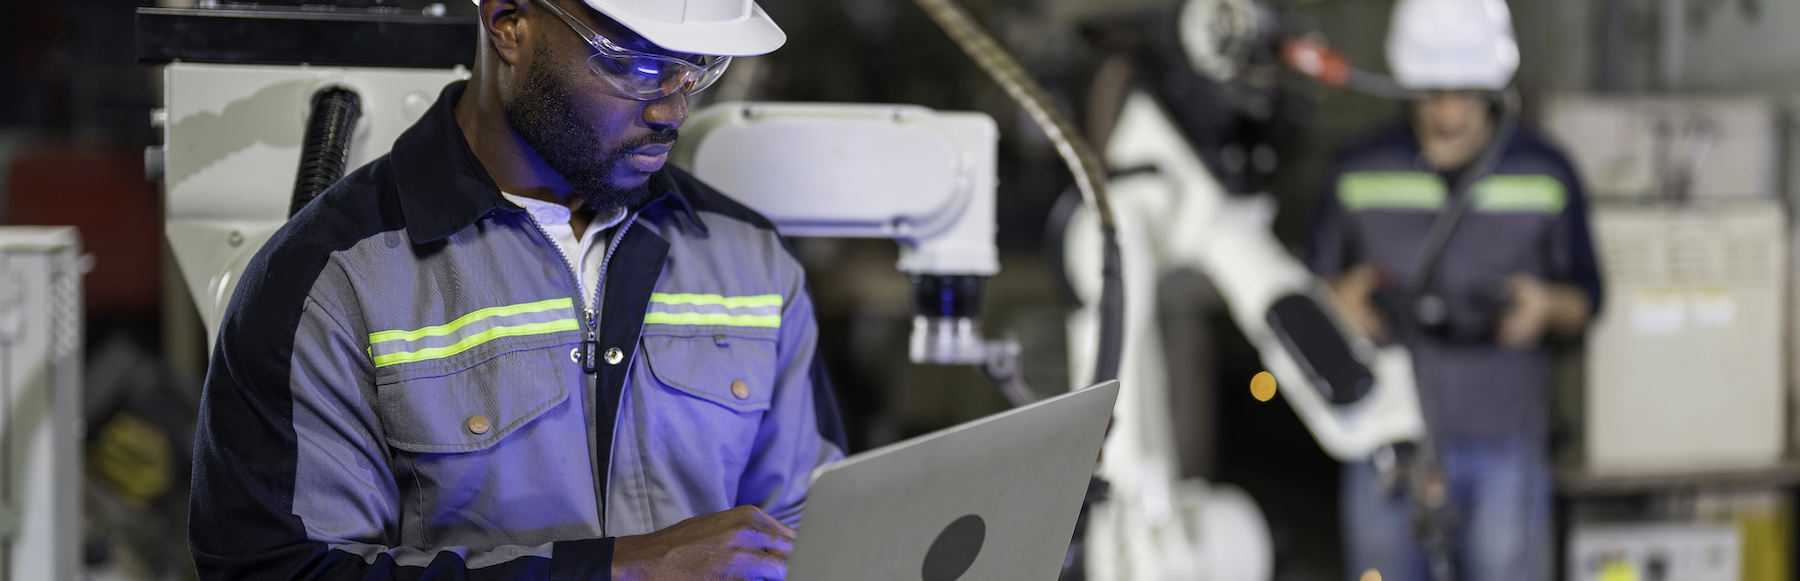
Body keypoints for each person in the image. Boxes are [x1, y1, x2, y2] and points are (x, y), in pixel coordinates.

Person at [187, 0, 848, 578]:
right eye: (639, 64)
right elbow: (287, 569)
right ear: (509, 22)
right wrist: (618, 572)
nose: (674, 106)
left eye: (698, 66)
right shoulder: (330, 283)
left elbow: (816, 535)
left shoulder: (751, 261)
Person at [1305, 0, 1602, 579]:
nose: (1448, 112)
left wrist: (1545, 307)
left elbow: (1588, 299)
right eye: (1432, 92)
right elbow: (1300, 292)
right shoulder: (1356, 169)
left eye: (1465, 93)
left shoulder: (1547, 170)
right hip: (1383, 442)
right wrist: (1336, 301)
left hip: (1505, 446)